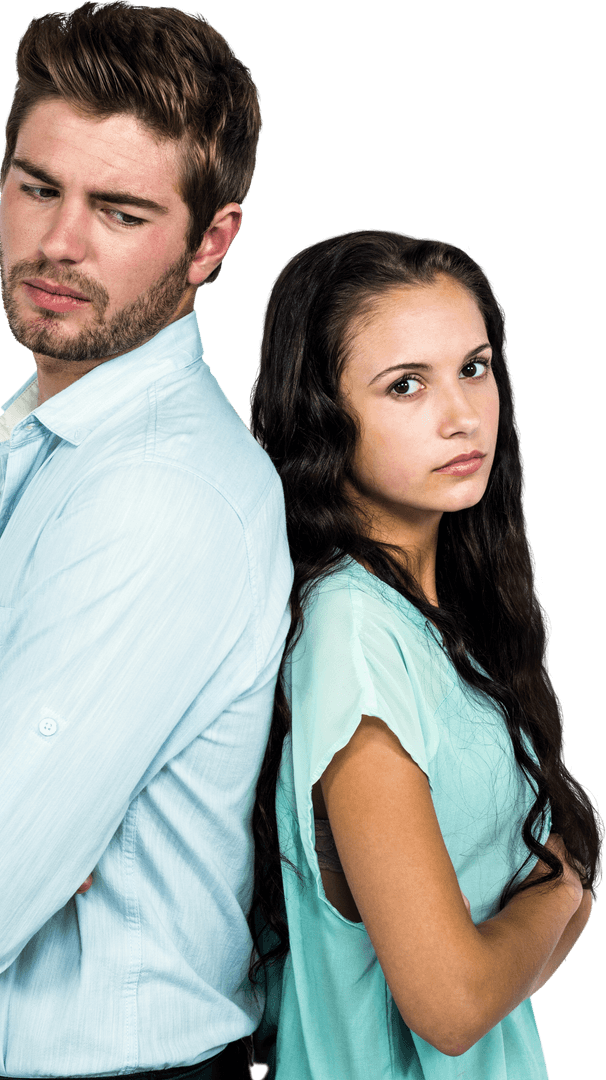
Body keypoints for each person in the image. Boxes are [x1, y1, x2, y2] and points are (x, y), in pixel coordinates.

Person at [0, 3, 292, 1078]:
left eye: (120, 211)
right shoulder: (21, 445)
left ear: (209, 243)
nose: (59, 244)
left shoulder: (157, 498)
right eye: (39, 188)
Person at [247, 229, 603, 1077]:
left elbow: (494, 988)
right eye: (405, 385)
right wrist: (560, 886)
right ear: (320, 413)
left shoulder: (445, 620)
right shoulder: (353, 639)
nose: (460, 414)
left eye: (472, 368)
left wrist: (542, 912)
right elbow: (448, 1005)